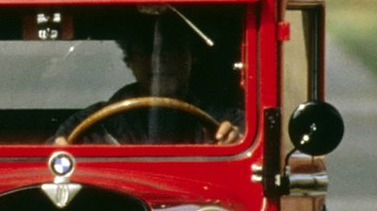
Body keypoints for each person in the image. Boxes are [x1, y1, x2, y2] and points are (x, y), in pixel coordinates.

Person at [52, 9, 242, 144]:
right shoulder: (91, 126)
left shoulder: (227, 121)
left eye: (172, 48)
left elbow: (254, 158)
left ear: (193, 57)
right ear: (129, 59)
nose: (159, 60)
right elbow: (54, 161)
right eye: (147, 50)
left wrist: (233, 143)